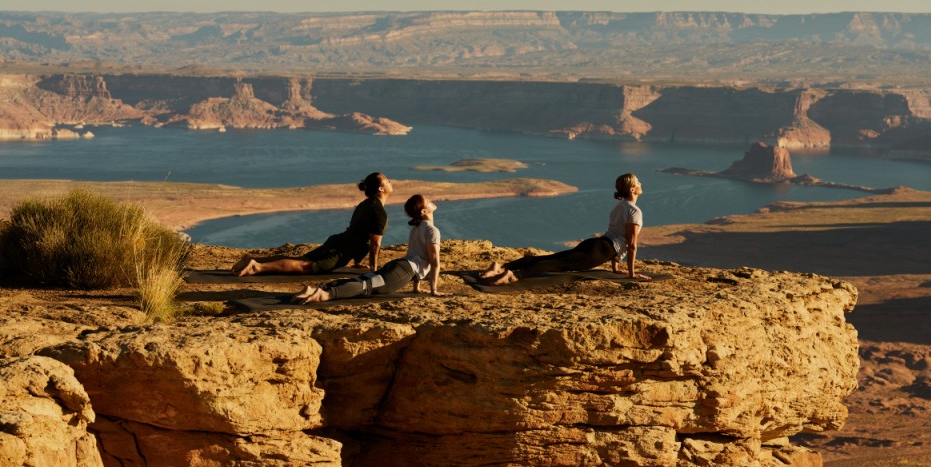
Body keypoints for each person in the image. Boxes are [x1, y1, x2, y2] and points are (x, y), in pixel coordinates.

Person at [479, 172, 650, 284]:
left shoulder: (618, 207)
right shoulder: (634, 211)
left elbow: (615, 234)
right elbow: (631, 244)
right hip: (603, 250)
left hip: (596, 244)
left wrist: (615, 268)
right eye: (638, 183)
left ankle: (501, 267)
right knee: (558, 264)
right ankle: (513, 276)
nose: (641, 184)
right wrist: (631, 274)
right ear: (632, 189)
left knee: (552, 257)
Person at [292, 193, 446, 303]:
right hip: (404, 270)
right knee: (366, 286)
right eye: (427, 200)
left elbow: (416, 256)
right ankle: (324, 295)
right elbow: (434, 262)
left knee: (362, 279)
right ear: (423, 211)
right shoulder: (432, 231)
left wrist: (416, 288)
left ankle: (317, 289)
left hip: (399, 265)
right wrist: (434, 290)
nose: (430, 200)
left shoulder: (417, 228)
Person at [232, 172, 391, 276]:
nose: (391, 182)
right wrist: (373, 270)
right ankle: (256, 267)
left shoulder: (366, 204)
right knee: (304, 266)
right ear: (381, 188)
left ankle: (254, 259)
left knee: (301, 259)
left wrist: (356, 263)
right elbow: (374, 244)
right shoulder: (378, 211)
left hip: (338, 241)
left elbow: (359, 232)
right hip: (339, 251)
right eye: (388, 180)